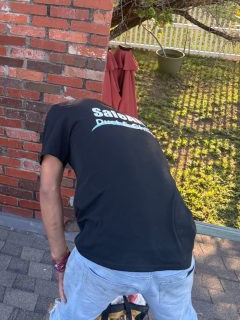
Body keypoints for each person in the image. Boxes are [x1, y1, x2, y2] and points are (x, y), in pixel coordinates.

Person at [39, 98, 197, 320]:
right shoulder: (136, 125)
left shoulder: (61, 112)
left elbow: (48, 189)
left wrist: (61, 261)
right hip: (177, 252)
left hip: (106, 252)